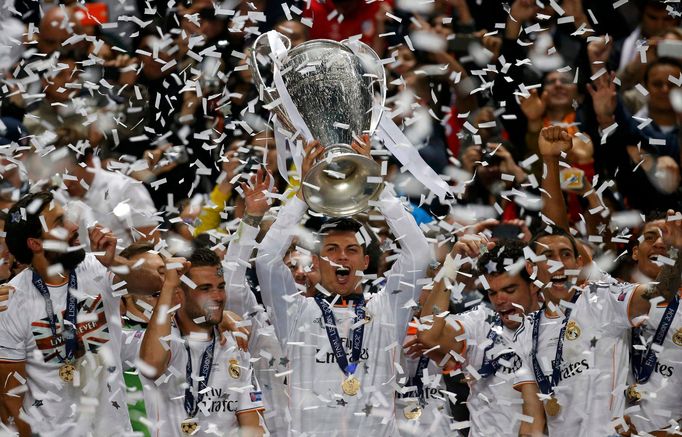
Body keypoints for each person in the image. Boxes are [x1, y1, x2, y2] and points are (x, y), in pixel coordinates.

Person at [255, 139, 432, 435]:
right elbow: (266, 260)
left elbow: (418, 252)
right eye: (332, 249)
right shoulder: (294, 312)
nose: (341, 257)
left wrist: (377, 185)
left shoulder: (387, 308)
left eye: (351, 250)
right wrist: (302, 196)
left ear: (364, 261)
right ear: (316, 261)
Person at [519, 127, 682, 436]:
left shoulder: (606, 295)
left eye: (668, 239)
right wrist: (550, 163)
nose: (661, 243)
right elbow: (555, 238)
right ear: (634, 251)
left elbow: (663, 291)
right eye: (650, 236)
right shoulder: (600, 293)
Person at [0, 190, 162, 436]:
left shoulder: (96, 267)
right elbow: (10, 400)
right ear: (36, 244)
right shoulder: (11, 302)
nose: (74, 225)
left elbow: (153, 283)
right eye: (60, 223)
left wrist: (114, 261)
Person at [417, 236, 546, 437]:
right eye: (492, 293)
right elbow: (428, 335)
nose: (500, 300)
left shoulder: (557, 327)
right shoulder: (480, 324)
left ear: (533, 285)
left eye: (509, 290)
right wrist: (452, 262)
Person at [138, 248, 265, 437]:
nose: (218, 297)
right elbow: (151, 365)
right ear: (179, 294)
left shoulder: (235, 344)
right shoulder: (160, 341)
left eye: (221, 287)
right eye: (205, 289)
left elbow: (252, 426)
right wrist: (168, 287)